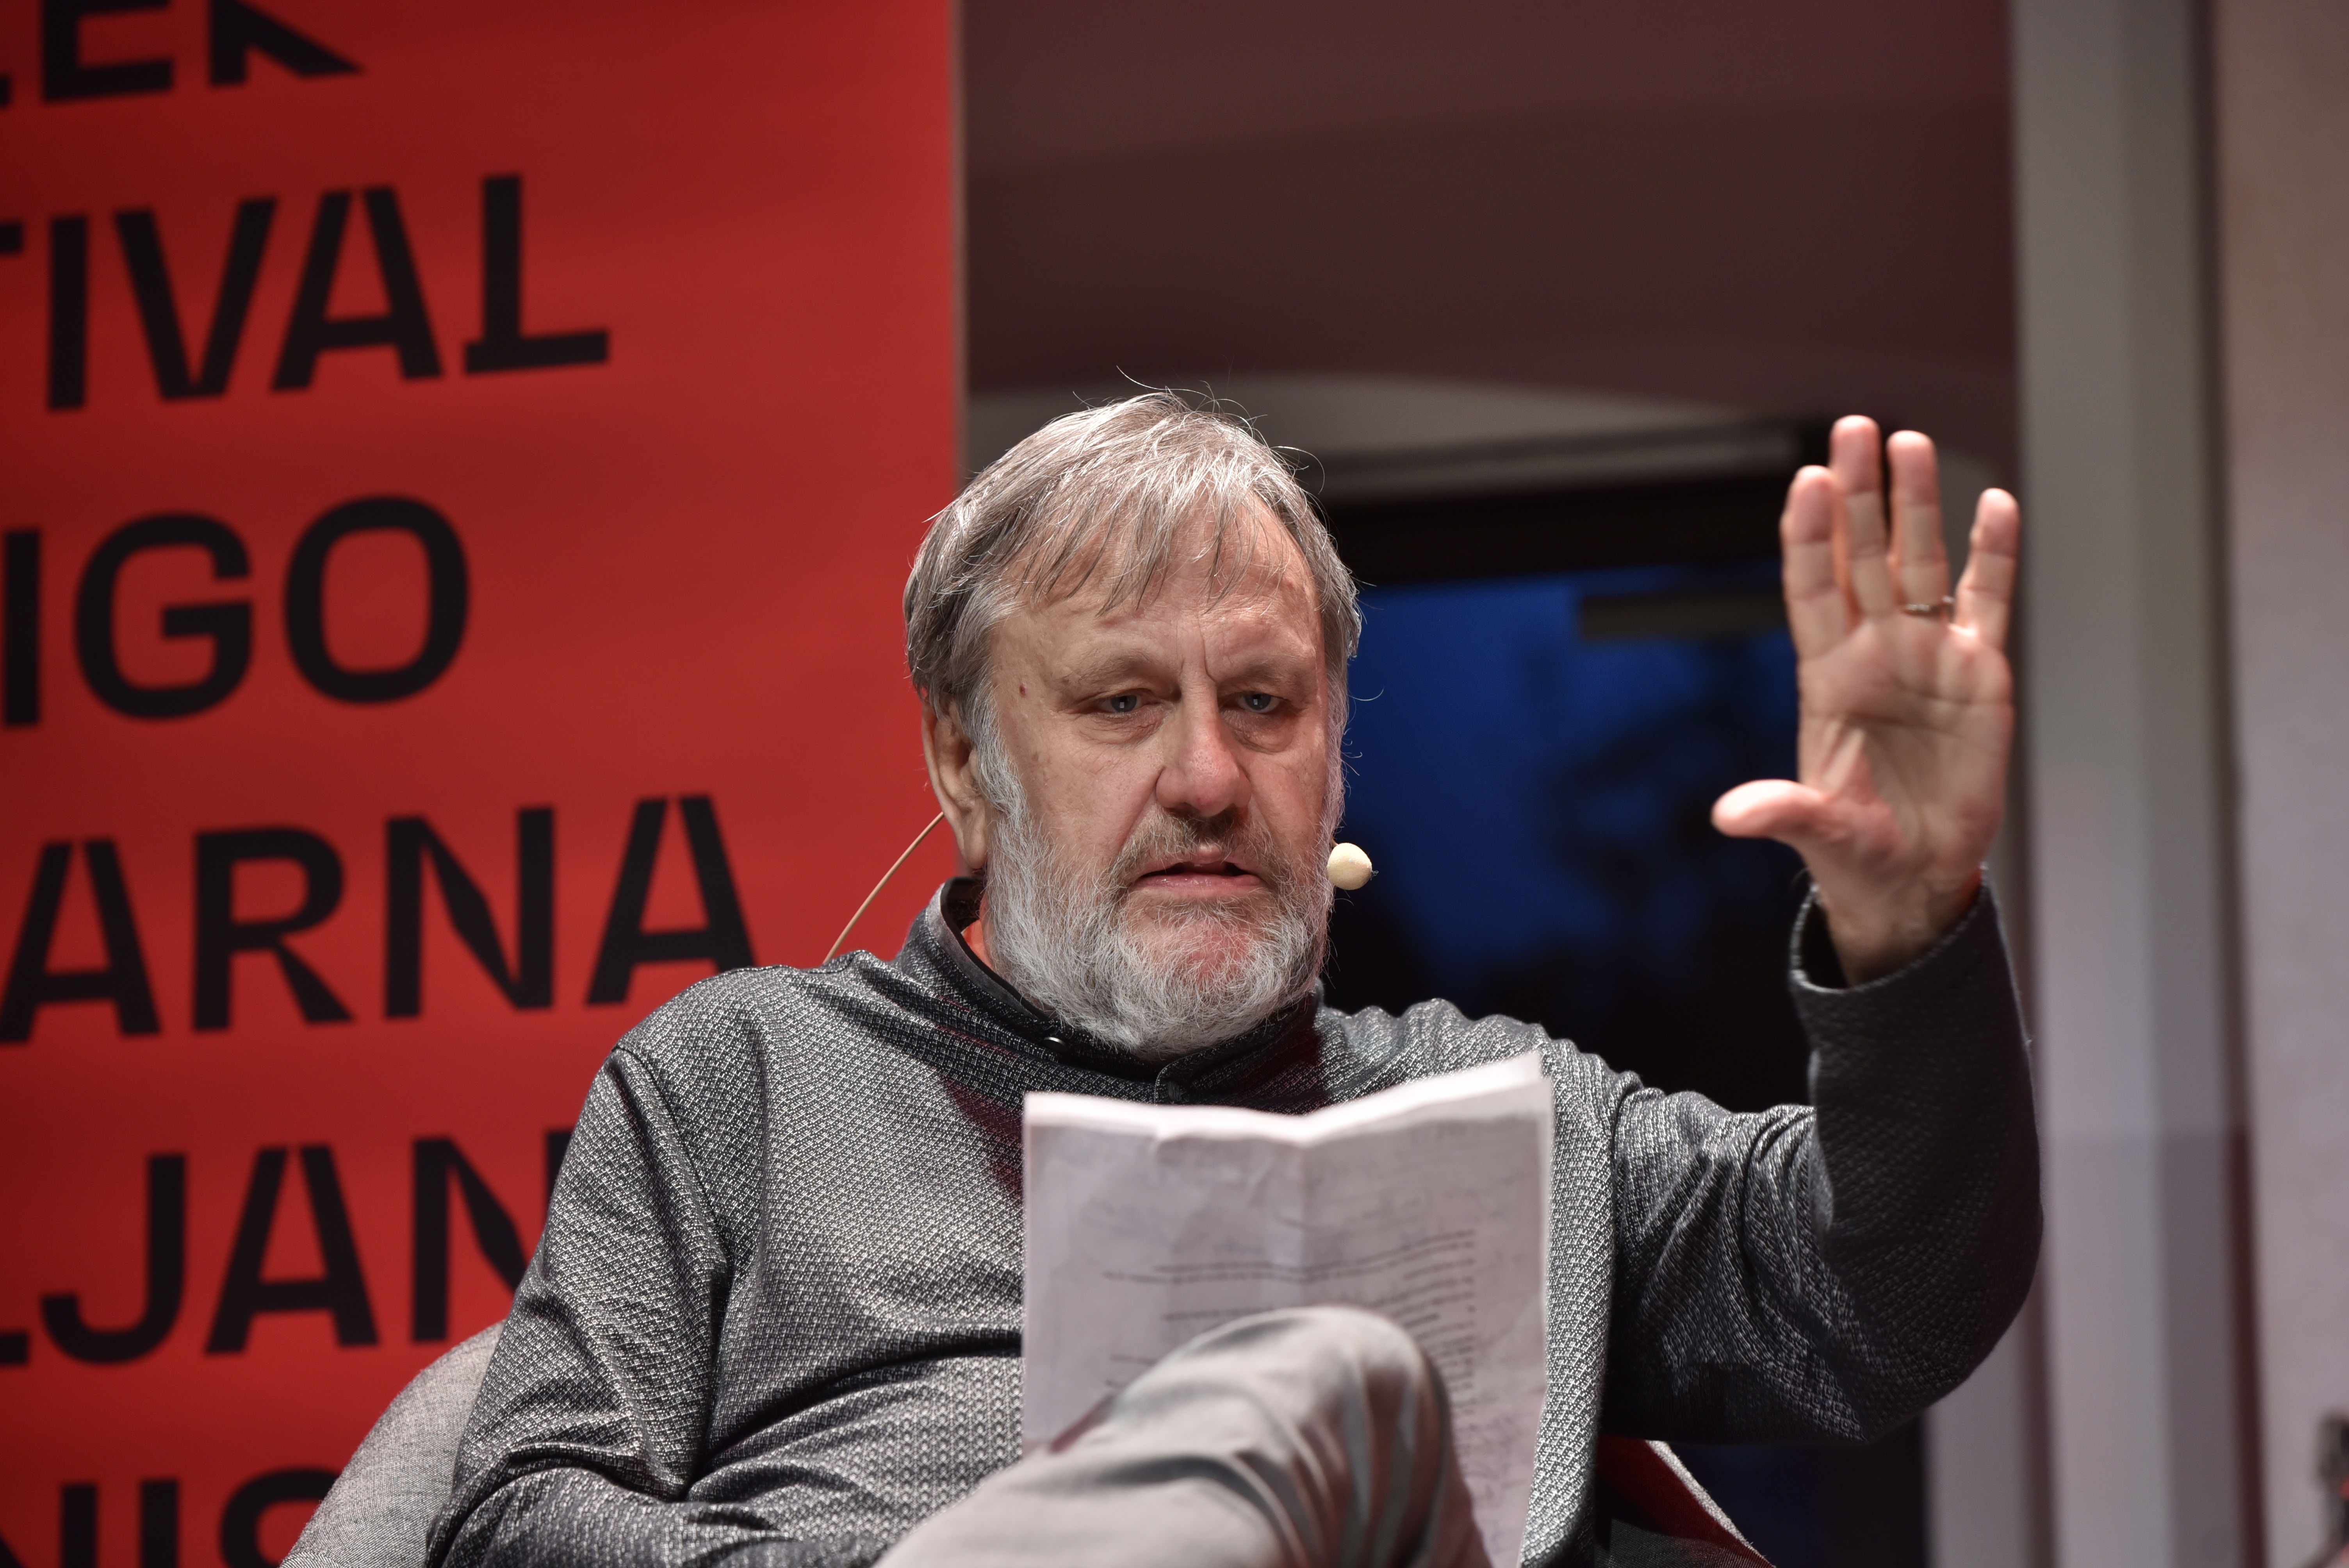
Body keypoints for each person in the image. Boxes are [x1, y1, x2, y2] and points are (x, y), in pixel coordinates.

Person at [414, 394, 2037, 1568]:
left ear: (1333, 751)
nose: (1205, 775)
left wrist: (1907, 928)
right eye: (1121, 702)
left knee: (1327, 1391)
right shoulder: (741, 1079)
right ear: (964, 759)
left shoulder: (1497, 1108)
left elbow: (1882, 1300)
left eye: (1263, 702)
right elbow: (520, 1517)